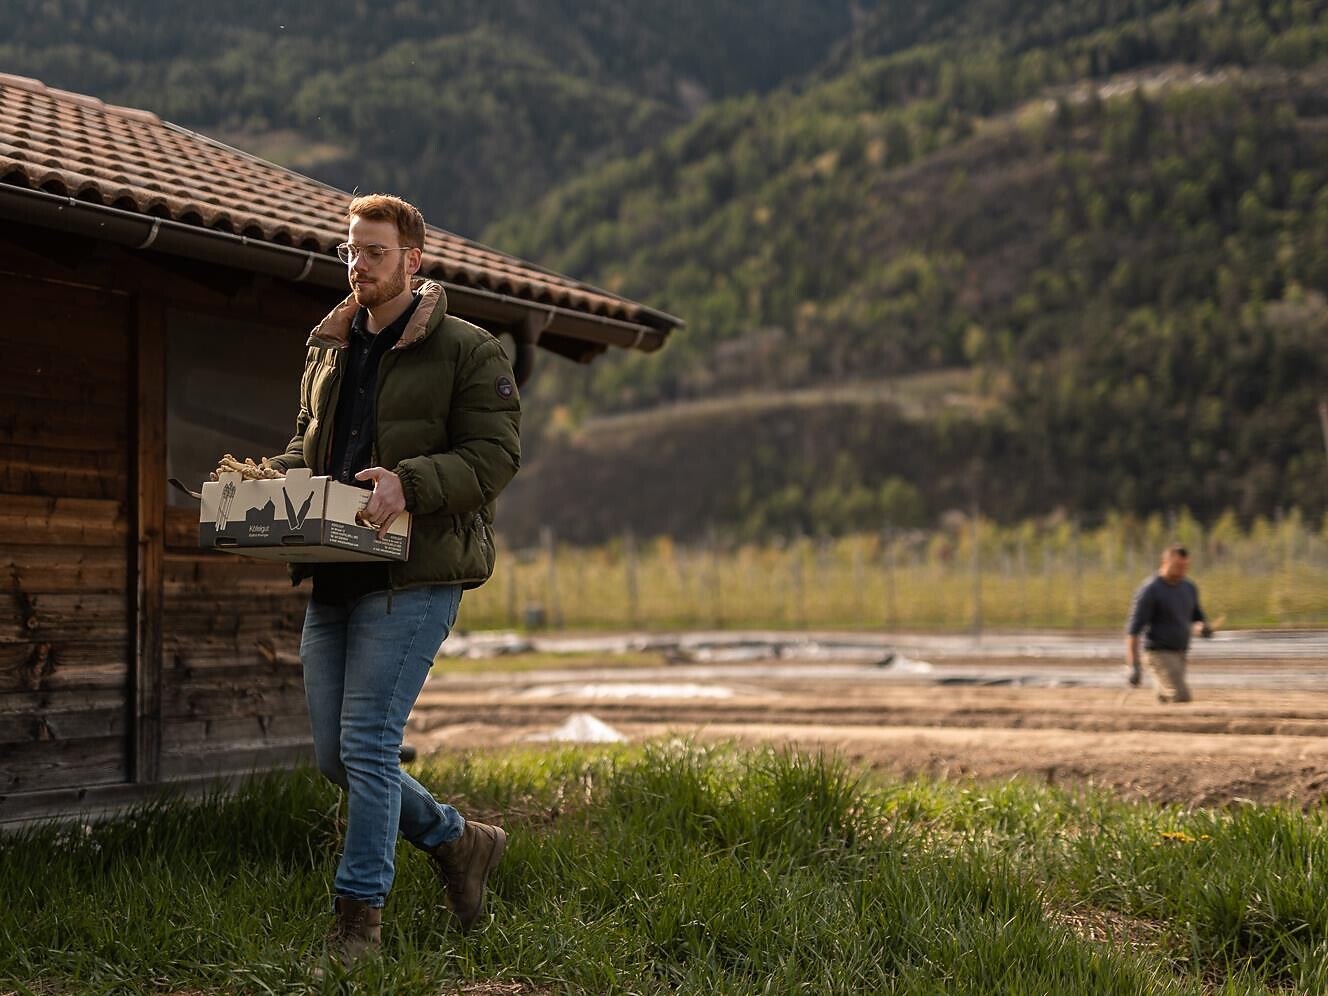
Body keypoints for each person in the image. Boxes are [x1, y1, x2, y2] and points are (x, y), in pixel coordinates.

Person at [268, 193, 521, 964]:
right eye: (351, 250)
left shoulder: (469, 349)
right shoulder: (330, 346)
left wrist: (408, 481)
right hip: (334, 574)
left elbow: (495, 457)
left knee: (370, 747)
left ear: (413, 260)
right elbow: (305, 451)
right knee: (335, 758)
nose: (358, 265)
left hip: (415, 577)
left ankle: (357, 925)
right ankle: (458, 841)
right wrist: (261, 484)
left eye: (374, 252)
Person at [1125, 543, 1213, 703]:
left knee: (1166, 699)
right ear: (1165, 561)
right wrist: (1133, 666)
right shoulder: (1150, 589)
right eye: (1178, 565)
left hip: (1180, 654)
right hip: (1158, 653)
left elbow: (1197, 617)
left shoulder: (1189, 587)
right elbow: (1133, 630)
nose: (1182, 570)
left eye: (1185, 566)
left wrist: (1203, 627)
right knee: (1180, 696)